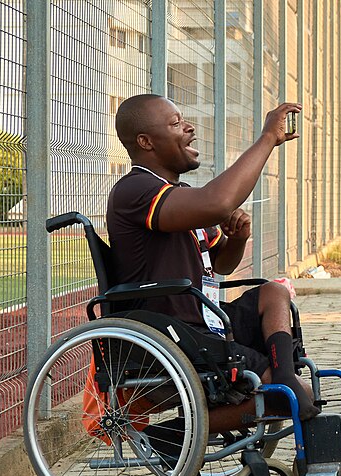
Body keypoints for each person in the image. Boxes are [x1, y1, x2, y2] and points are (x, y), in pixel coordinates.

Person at [107, 94, 320, 431]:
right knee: (291, 398)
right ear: (146, 142)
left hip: (205, 325)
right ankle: (169, 438)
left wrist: (237, 238)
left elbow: (221, 265)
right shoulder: (135, 190)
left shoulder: (179, 194)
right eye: (176, 123)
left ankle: (283, 376)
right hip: (171, 334)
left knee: (273, 292)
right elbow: (218, 202)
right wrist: (267, 138)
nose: (189, 127)